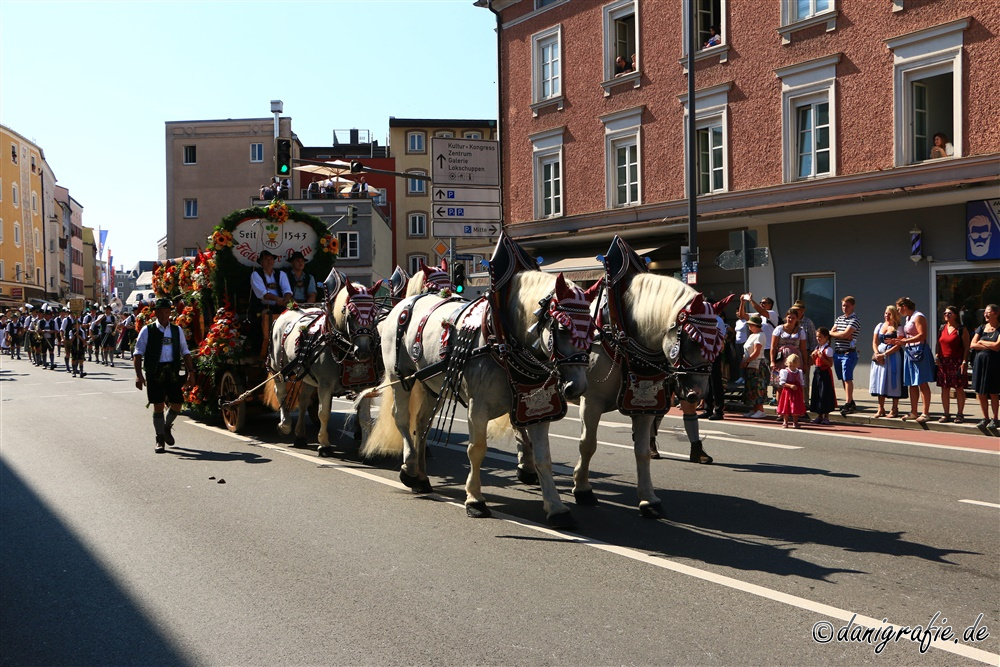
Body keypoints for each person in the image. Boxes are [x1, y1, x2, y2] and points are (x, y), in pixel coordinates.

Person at [134, 298, 195, 453]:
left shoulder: (176, 330)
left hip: (172, 371)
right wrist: (139, 376)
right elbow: (138, 353)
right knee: (158, 405)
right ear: (155, 313)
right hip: (155, 371)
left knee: (177, 404)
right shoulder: (147, 330)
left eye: (166, 312)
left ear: (170, 313)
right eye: (160, 312)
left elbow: (185, 352)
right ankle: (159, 438)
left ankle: (166, 426)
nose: (163, 315)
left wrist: (191, 372)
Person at [896, 297, 934, 423]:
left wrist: (905, 341)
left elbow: (922, 335)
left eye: (899, 308)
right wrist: (901, 341)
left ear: (904, 306)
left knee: (922, 382)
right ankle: (914, 411)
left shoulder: (918, 316)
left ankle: (925, 412)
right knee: (912, 383)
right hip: (910, 351)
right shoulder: (908, 318)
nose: (898, 311)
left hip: (919, 351)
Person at [249, 249, 292, 356]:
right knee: (265, 318)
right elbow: (263, 294)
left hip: (280, 305)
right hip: (261, 306)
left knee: (293, 313)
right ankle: (263, 349)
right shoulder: (256, 275)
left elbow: (287, 290)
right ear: (261, 262)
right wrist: (278, 300)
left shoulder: (281, 274)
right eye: (266, 259)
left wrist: (286, 298)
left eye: (271, 259)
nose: (269, 261)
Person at [935, 305, 970, 423]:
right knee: (945, 388)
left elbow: (966, 347)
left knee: (959, 388)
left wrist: (964, 362)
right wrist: (937, 355)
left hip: (957, 362)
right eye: (945, 313)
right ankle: (946, 414)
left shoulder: (961, 329)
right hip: (944, 362)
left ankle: (960, 414)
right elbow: (938, 343)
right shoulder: (942, 328)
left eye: (949, 313)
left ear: (955, 315)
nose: (946, 315)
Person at [771, 307, 808, 414]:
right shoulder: (779, 329)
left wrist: (805, 363)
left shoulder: (801, 331)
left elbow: (803, 349)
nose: (790, 319)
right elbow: (773, 347)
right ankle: (780, 410)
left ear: (797, 319)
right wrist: (772, 361)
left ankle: (794, 410)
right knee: (780, 385)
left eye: (793, 318)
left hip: (795, 358)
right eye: (789, 317)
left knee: (795, 385)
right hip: (781, 358)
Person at [870, 305, 904, 418]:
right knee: (880, 380)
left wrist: (884, 354)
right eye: (885, 313)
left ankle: (894, 408)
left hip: (893, 357)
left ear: (894, 315)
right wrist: (877, 354)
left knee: (893, 380)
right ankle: (881, 408)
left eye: (889, 314)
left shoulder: (898, 328)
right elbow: (874, 342)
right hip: (880, 357)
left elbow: (898, 345)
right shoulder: (879, 326)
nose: (886, 316)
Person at [970, 304, 1000, 429]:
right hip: (980, 363)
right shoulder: (982, 328)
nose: (986, 314)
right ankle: (985, 417)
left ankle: (995, 418)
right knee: (981, 392)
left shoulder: (999, 328)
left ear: (996, 313)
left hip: (994, 363)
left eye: (989, 312)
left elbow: (997, 346)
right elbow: (972, 344)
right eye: (985, 312)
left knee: (993, 392)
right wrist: (987, 344)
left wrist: (982, 342)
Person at [829, 296, 861, 414]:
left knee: (847, 378)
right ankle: (851, 401)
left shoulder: (855, 319)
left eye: (847, 306)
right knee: (842, 377)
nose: (845, 308)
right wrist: (838, 334)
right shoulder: (839, 319)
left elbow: (844, 334)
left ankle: (848, 403)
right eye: (843, 305)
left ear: (853, 306)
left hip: (848, 353)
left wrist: (840, 334)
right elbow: (831, 332)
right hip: (838, 352)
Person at [740, 314, 768, 419]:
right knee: (751, 387)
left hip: (756, 364)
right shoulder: (752, 335)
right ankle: (754, 409)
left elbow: (756, 352)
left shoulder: (760, 335)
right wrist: (744, 360)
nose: (750, 327)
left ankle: (760, 410)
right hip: (750, 364)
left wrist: (746, 361)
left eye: (751, 325)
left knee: (757, 387)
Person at [810, 327, 837, 424]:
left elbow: (830, 364)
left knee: (825, 394)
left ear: (826, 337)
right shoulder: (817, 348)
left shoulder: (828, 349)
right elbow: (813, 363)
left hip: (825, 373)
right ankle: (819, 415)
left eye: (820, 337)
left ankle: (826, 416)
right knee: (817, 393)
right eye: (817, 337)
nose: (818, 339)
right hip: (817, 372)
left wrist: (822, 357)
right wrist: (813, 357)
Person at [793, 300, 817, 403]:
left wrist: (811, 357)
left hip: (805, 353)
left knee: (804, 378)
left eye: (798, 310)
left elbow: (813, 340)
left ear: (803, 311)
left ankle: (805, 401)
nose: (796, 312)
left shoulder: (808, 322)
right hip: (793, 353)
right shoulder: (792, 321)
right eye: (795, 310)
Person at [777, 354, 806, 428]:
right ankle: (785, 421)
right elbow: (782, 383)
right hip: (788, 392)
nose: (792, 368)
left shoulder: (799, 372)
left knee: (795, 406)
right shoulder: (785, 371)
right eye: (790, 366)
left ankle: (795, 422)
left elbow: (801, 383)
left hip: (796, 392)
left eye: (794, 366)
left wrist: (802, 393)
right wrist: (790, 386)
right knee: (786, 406)